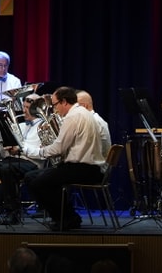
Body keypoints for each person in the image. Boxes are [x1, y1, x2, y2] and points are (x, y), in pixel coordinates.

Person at [24, 86, 105, 230]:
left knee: (38, 183)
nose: (55, 109)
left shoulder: (73, 117)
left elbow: (59, 148)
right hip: (88, 168)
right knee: (32, 177)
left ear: (64, 102)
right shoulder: (83, 113)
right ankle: (68, 217)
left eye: (55, 105)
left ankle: (65, 219)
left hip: (82, 168)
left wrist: (38, 151)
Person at [0, 93, 50, 225]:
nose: (24, 110)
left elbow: (43, 153)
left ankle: (12, 212)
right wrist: (4, 147)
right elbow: (4, 154)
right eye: (24, 106)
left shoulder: (44, 127)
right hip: (11, 161)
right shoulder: (19, 125)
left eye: (28, 107)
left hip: (31, 163)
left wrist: (20, 149)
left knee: (7, 169)